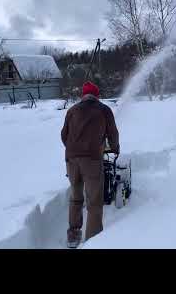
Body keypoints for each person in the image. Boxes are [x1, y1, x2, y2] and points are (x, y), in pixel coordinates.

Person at [61, 81, 120, 248]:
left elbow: (64, 135)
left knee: (76, 197)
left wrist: (74, 149)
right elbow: (113, 134)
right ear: (97, 95)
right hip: (92, 160)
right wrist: (114, 148)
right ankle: (94, 242)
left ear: (83, 95)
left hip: (71, 161)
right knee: (94, 201)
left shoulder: (72, 110)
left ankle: (73, 235)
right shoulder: (104, 110)